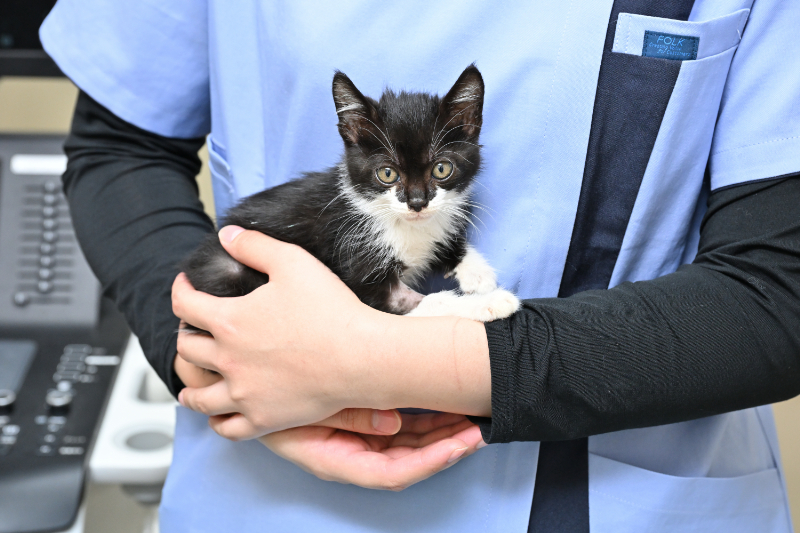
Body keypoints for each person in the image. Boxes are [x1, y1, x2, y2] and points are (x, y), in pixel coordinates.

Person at [40, 0, 800, 531]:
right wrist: (203, 350)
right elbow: (121, 147)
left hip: (622, 493)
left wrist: (395, 361)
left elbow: (778, 291)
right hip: (264, 483)